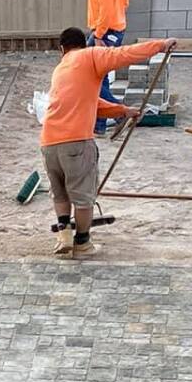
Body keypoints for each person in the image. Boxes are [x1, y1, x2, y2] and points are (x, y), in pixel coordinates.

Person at [41, 27, 175, 257]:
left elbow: (93, 103)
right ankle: (82, 243)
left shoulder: (60, 69)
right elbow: (124, 54)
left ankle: (64, 232)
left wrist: (123, 110)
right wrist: (160, 46)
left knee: (61, 193)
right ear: (83, 44)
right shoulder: (90, 56)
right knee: (83, 196)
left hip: (49, 142)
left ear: (62, 49)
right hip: (76, 141)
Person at [83, 0, 130, 136]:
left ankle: (120, 113)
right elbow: (124, 2)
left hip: (105, 30)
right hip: (115, 28)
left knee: (92, 77)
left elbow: (106, 8)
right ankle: (99, 124)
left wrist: (99, 35)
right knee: (98, 77)